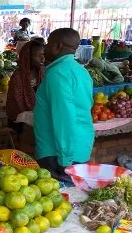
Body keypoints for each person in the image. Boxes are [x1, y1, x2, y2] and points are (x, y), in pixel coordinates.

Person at [34, 28, 93, 180]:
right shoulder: (81, 71)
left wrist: (65, 159)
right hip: (79, 146)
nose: (45, 47)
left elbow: (64, 117)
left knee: (60, 198)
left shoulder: (58, 74)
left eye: (48, 43)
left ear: (58, 46)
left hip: (58, 152)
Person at [6, 39, 45, 131]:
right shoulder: (18, 77)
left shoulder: (42, 72)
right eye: (37, 55)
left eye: (43, 54)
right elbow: (17, 105)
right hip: (20, 118)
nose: (42, 58)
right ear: (27, 57)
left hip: (38, 114)